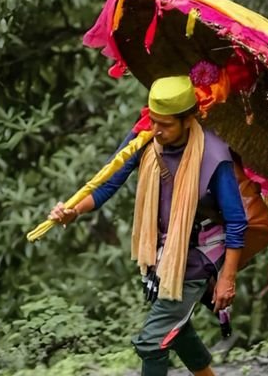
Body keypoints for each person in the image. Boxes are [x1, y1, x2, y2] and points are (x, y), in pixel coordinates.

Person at [49, 75, 248, 376]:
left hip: (198, 257)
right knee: (176, 329)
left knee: (152, 342)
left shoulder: (213, 156)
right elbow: (107, 183)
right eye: (153, 120)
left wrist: (227, 279)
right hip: (161, 254)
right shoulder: (145, 138)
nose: (156, 129)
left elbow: (236, 221)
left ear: (187, 119)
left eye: (165, 124)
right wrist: (73, 211)